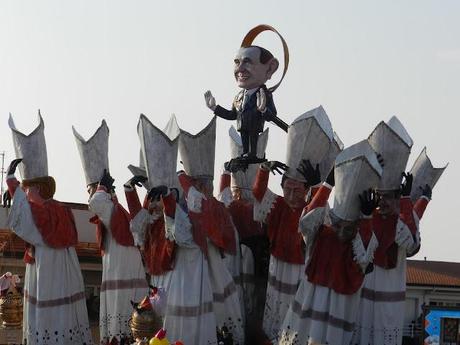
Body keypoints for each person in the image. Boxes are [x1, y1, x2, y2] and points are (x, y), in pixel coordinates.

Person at [279, 140, 381, 345]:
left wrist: (367, 218)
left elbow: (363, 259)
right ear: (331, 219)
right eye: (338, 224)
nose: (341, 229)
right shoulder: (321, 234)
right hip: (308, 312)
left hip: (339, 312)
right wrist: (327, 184)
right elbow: (307, 221)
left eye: (347, 226)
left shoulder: (357, 242)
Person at [6, 113, 92, 345]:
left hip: (49, 266)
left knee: (49, 311)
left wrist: (12, 181)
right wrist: (16, 191)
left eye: (28, 188)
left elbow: (23, 220)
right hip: (63, 264)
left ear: (38, 188)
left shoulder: (41, 210)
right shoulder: (60, 209)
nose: (26, 193)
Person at [73, 120, 148, 344]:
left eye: (90, 188)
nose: (90, 193)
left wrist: (107, 187)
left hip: (124, 264)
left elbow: (97, 201)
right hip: (119, 262)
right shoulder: (110, 207)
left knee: (128, 316)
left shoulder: (109, 204)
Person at [205, 45, 280, 158]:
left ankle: (252, 154)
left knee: (253, 139)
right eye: (237, 62)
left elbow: (272, 115)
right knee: (244, 140)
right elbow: (232, 115)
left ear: (269, 68)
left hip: (254, 125)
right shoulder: (239, 96)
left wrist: (263, 109)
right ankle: (245, 153)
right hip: (242, 125)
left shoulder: (264, 95)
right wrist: (215, 108)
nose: (240, 69)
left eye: (247, 62)